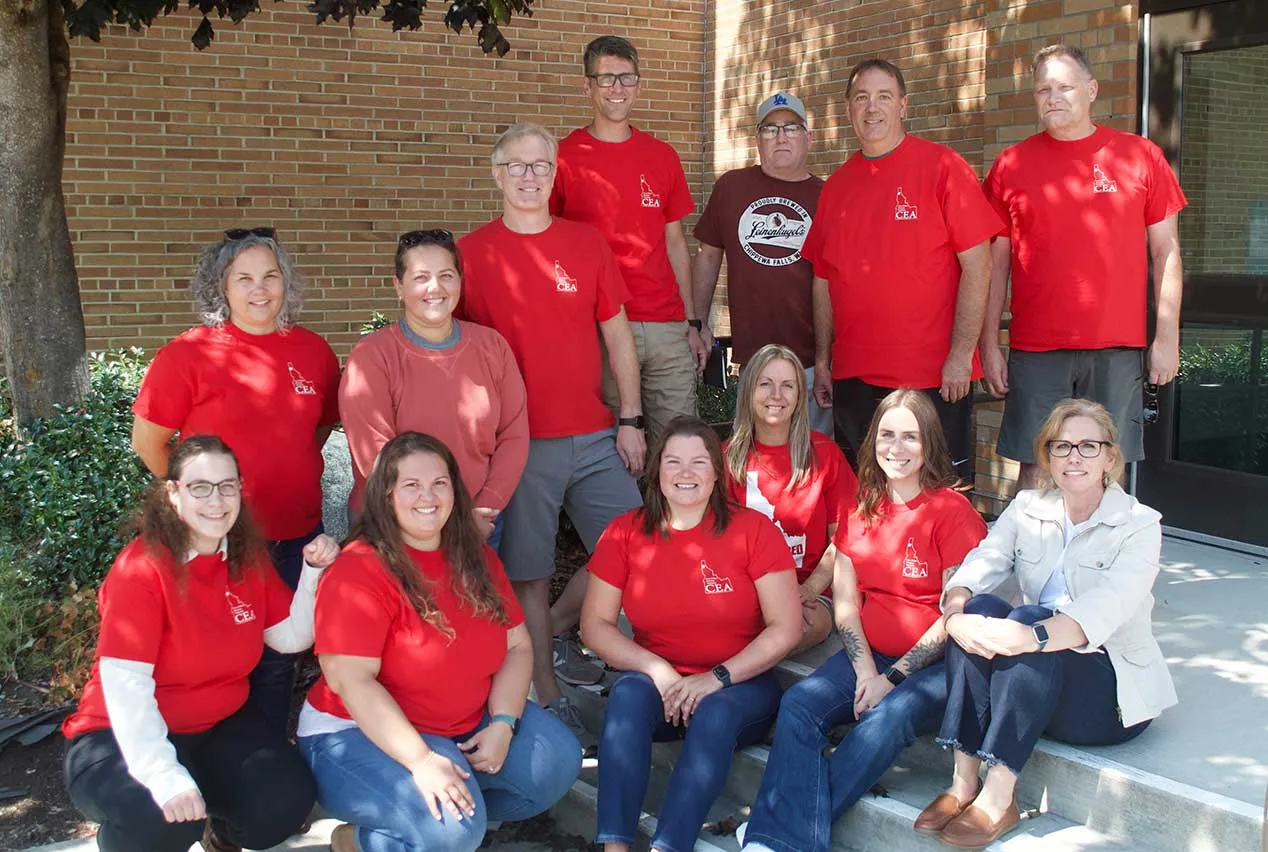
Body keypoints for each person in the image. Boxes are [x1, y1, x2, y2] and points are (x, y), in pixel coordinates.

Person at [297, 432, 582, 852]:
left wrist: (504, 723)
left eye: (439, 483)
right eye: (411, 485)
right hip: (355, 732)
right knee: (454, 830)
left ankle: (438, 823)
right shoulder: (357, 570)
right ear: (387, 495)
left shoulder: (476, 558)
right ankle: (366, 839)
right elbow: (352, 682)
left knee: (556, 762)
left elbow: (518, 647)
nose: (427, 496)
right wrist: (422, 762)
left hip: (460, 724)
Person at [457, 122, 645, 750]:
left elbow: (618, 337)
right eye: (517, 166)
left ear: (555, 171)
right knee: (528, 574)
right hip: (518, 446)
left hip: (594, 433)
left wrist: (631, 418)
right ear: (495, 174)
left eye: (541, 165)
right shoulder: (472, 253)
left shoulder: (585, 243)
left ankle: (588, 643)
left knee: (640, 546)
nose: (530, 176)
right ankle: (547, 694)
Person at [917, 399, 1177, 848]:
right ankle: (963, 783)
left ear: (1110, 458)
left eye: (1088, 446)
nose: (1074, 456)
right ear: (1047, 456)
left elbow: (1106, 608)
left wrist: (1028, 636)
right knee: (980, 609)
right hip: (1034, 681)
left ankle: (1001, 797)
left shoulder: (1139, 525)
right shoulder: (1027, 507)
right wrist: (956, 610)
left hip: (1108, 697)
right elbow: (985, 560)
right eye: (1061, 446)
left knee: (1032, 617)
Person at [62, 436, 339, 852]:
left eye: (227, 486)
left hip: (214, 728)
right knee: (161, 819)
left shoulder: (246, 558)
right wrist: (163, 775)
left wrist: (314, 572)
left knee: (284, 800)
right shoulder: (141, 570)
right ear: (172, 493)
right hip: (116, 735)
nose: (216, 500)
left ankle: (219, 837)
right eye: (200, 487)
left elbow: (290, 638)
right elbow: (126, 691)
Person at [738, 390, 987, 852]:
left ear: (929, 444)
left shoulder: (953, 514)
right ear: (873, 442)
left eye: (910, 437)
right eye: (887, 435)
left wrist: (891, 678)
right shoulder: (860, 508)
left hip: (939, 666)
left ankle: (778, 836)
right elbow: (847, 604)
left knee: (884, 721)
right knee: (798, 706)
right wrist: (867, 671)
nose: (897, 448)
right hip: (871, 656)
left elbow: (953, 616)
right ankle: (784, 835)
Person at [129, 227, 342, 734]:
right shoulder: (187, 355)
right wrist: (199, 504)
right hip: (221, 541)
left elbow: (319, 426)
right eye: (243, 278)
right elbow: (149, 443)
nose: (259, 289)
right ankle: (213, 756)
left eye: (270, 276)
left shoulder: (314, 351)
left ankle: (262, 756)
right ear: (220, 288)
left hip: (297, 536)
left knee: (281, 654)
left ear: (286, 283)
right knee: (220, 651)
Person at [581, 415, 802, 852]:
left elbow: (786, 627)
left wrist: (716, 678)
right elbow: (594, 626)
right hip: (661, 686)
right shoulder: (625, 533)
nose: (685, 473)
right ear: (656, 471)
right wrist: (655, 668)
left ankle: (670, 845)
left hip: (739, 686)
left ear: (717, 474)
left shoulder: (753, 531)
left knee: (714, 713)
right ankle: (615, 847)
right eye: (673, 462)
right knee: (626, 698)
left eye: (698, 462)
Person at [981, 44, 1187, 489]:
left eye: (1064, 87)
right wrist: (989, 343)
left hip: (1116, 347)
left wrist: (1166, 338)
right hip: (1036, 348)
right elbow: (994, 267)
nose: (1052, 97)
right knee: (1035, 467)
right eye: (1042, 90)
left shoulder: (1140, 156)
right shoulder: (1010, 166)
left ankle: (1099, 561)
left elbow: (1165, 251)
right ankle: (1031, 559)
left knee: (1105, 468)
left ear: (1091, 90)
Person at [805, 59, 1001, 485]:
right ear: (847, 109)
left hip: (931, 377)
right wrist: (823, 360)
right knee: (865, 498)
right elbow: (823, 279)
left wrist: (959, 356)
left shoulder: (943, 168)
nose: (871, 108)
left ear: (903, 105)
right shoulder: (835, 188)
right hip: (854, 377)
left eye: (883, 97)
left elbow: (979, 266)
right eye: (861, 98)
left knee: (940, 498)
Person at [552, 34, 704, 442]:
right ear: (587, 86)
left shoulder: (662, 156)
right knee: (617, 447)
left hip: (667, 326)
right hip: (602, 325)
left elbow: (675, 244)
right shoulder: (563, 158)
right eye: (606, 79)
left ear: (639, 84)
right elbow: (548, 248)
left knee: (679, 444)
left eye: (626, 78)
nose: (617, 88)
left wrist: (691, 322)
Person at [339, 228, 529, 548]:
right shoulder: (372, 356)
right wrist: (431, 520)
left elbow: (514, 434)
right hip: (393, 526)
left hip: (478, 522)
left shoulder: (492, 346)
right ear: (398, 286)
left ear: (459, 280)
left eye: (446, 275)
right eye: (420, 277)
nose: (435, 288)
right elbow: (377, 456)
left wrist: (485, 509)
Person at [693, 91, 832, 434]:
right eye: (770, 129)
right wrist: (696, 322)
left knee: (812, 457)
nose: (781, 136)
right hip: (753, 362)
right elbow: (708, 256)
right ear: (757, 139)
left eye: (791, 128)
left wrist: (827, 360)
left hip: (811, 363)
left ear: (807, 138)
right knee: (754, 459)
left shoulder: (828, 196)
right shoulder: (731, 187)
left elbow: (834, 280)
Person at [724, 344, 857, 652]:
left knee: (798, 626)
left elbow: (846, 538)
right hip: (745, 591)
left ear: (800, 397)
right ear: (748, 391)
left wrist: (811, 587)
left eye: (788, 386)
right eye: (765, 384)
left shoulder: (824, 454)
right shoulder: (727, 458)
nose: (776, 395)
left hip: (809, 593)